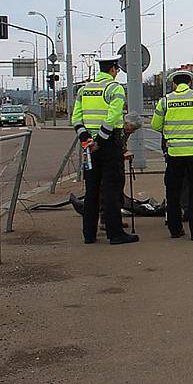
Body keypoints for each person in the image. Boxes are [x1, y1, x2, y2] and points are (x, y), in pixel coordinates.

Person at [71, 55, 139, 245]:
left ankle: (89, 234)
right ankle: (115, 233)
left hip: (88, 145)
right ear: (113, 69)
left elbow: (76, 118)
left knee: (92, 189)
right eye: (117, 70)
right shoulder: (114, 88)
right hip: (108, 144)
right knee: (111, 188)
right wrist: (100, 140)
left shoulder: (83, 89)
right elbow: (113, 115)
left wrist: (86, 138)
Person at [152, 70, 193, 241]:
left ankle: (175, 229)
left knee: (173, 192)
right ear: (189, 83)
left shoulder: (165, 101)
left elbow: (155, 125)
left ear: (174, 84)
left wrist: (171, 131)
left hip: (173, 154)